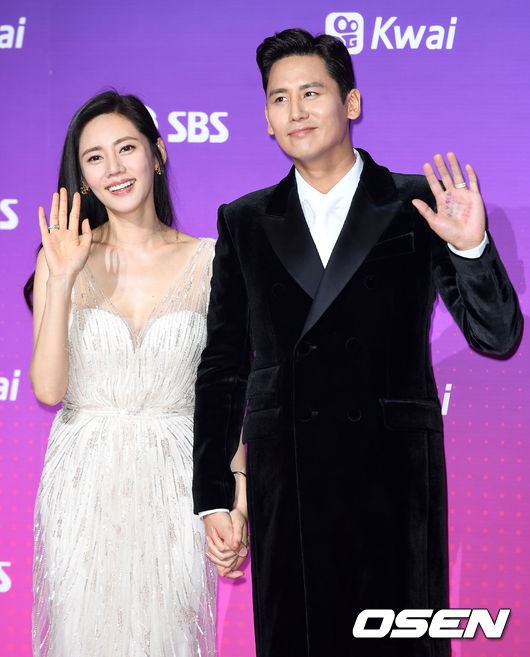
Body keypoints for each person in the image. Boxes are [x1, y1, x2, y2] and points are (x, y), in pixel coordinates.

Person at [192, 28, 523, 657]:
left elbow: (498, 335)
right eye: (279, 98)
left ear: (351, 102)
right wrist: (214, 494)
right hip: (287, 478)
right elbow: (223, 367)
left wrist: (471, 247)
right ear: (266, 118)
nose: (295, 111)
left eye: (311, 92)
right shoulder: (244, 220)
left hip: (391, 477)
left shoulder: (416, 203)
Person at [26, 91, 233, 657]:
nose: (114, 168)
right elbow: (48, 389)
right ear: (82, 177)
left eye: (126, 148)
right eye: (95, 158)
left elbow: (226, 392)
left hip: (175, 480)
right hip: (83, 481)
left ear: (157, 154)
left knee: (168, 634)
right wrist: (62, 277)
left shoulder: (213, 260)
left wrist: (234, 497)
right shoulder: (60, 259)